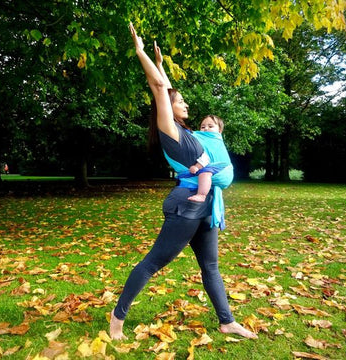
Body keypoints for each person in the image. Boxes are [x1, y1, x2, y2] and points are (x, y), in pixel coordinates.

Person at [109, 22, 257, 341]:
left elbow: (168, 89)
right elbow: (161, 90)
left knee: (211, 266)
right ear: (168, 109)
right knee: (152, 263)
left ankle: (227, 321)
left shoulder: (186, 131)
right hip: (186, 206)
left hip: (204, 207)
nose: (186, 104)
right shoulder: (170, 131)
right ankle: (117, 318)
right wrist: (142, 53)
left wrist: (163, 66)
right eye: (182, 102)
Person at [187, 115, 230, 203]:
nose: (206, 128)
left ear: (219, 131)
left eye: (210, 126)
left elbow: (206, 157)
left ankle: (201, 195)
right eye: (203, 127)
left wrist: (197, 167)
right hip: (218, 168)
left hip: (222, 168)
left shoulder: (214, 141)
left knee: (205, 173)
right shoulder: (206, 139)